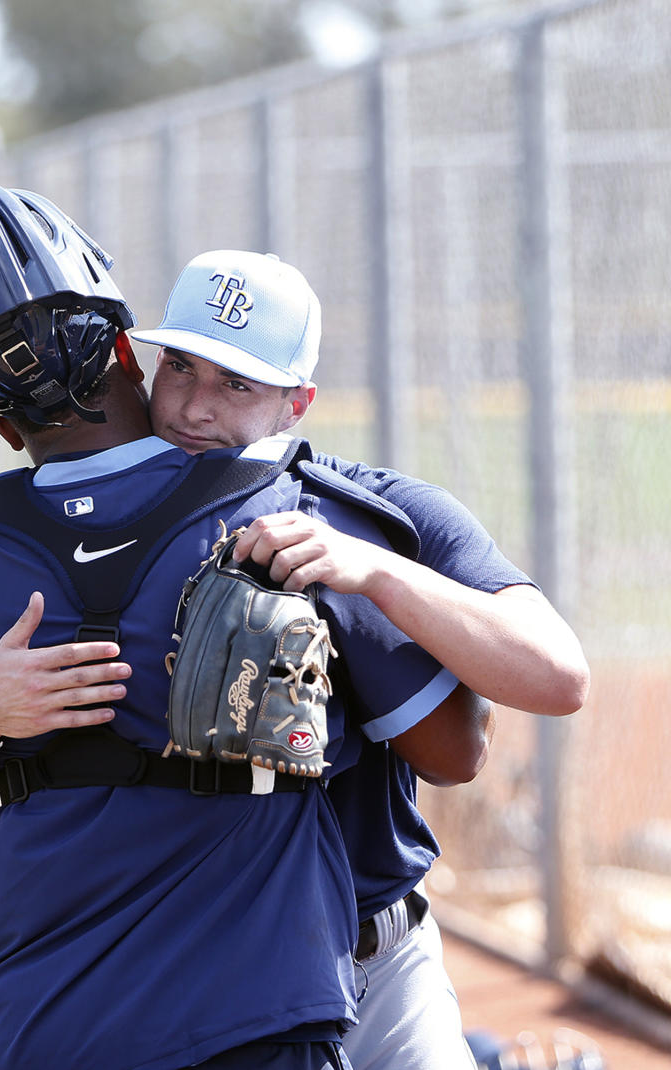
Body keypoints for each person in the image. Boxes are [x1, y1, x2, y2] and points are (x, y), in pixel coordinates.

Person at [0, 183, 480, 1070]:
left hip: (43, 1025)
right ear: (128, 346)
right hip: (262, 1014)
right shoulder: (293, 515)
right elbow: (457, 751)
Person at [130, 248, 591, 1070]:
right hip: (194, 964)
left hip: (375, 958)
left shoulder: (383, 512)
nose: (195, 406)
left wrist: (375, 573)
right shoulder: (105, 524)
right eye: (182, 367)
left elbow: (557, 677)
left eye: (236, 383)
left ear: (295, 404)